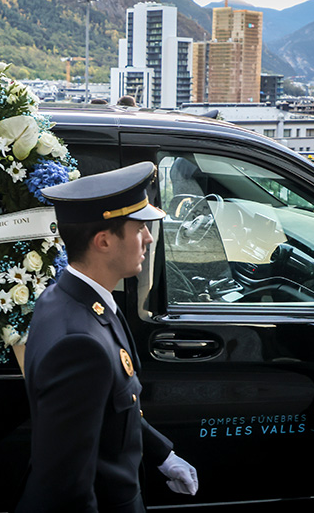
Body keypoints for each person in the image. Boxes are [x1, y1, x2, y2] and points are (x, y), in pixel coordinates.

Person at [16, 161, 198, 513]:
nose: (147, 237)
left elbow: (115, 408)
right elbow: (65, 489)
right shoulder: (80, 343)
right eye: (139, 228)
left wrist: (164, 455)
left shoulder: (67, 300)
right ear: (103, 241)